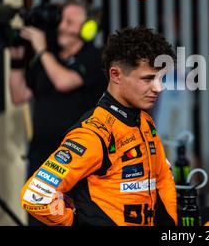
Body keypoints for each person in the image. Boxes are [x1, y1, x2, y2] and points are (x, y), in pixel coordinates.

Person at [19, 26, 178, 226]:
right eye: (147, 79)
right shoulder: (93, 133)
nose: (158, 87)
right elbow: (35, 196)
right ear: (116, 75)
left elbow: (163, 177)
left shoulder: (145, 122)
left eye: (160, 78)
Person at [9, 0, 106, 225]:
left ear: (87, 29)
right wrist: (16, 60)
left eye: (70, 22)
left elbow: (64, 82)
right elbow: (18, 95)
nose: (62, 26)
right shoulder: (47, 58)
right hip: (41, 157)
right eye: (61, 20)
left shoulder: (94, 57)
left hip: (76, 161)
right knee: (38, 218)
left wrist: (41, 49)